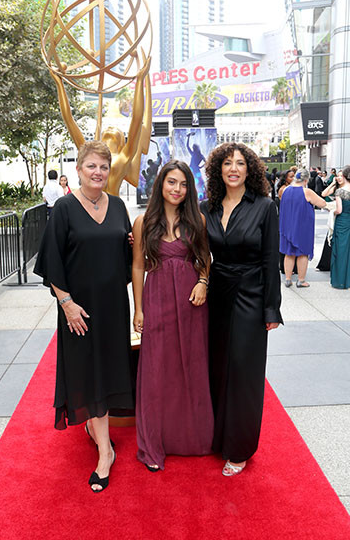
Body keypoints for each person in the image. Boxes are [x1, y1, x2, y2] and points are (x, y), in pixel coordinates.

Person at [34, 141, 133, 493]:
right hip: (79, 310)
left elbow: (125, 256)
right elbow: (51, 261)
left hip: (112, 306)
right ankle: (105, 453)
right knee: (88, 373)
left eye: (103, 168)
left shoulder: (119, 206)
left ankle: (96, 428)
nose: (98, 173)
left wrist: (135, 244)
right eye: (91, 166)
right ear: (78, 169)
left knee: (106, 369)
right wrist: (66, 304)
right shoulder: (63, 208)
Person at [200, 143, 282, 477]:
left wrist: (271, 309)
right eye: (227, 163)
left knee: (244, 373)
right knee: (218, 367)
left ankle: (240, 447)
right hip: (217, 292)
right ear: (218, 169)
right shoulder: (207, 207)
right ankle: (219, 437)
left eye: (240, 163)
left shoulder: (264, 207)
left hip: (251, 292)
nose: (234, 168)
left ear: (250, 169)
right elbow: (184, 238)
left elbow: (269, 259)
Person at [132, 160, 213, 471]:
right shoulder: (143, 222)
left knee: (190, 366)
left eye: (183, 184)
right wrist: (137, 308)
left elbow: (204, 258)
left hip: (191, 301)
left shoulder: (197, 220)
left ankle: (190, 438)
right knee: (156, 369)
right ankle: (156, 442)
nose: (177, 189)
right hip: (157, 297)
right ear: (160, 185)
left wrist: (204, 282)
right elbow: (138, 265)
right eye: (171, 183)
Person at [279, 169, 326, 287]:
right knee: (302, 253)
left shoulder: (285, 190)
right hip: (302, 227)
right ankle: (301, 280)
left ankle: (288, 279)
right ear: (306, 180)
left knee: (289, 253)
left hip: (287, 227)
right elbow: (322, 203)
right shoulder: (306, 192)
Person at [316, 170, 344, 271]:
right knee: (330, 239)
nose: (339, 178)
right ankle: (326, 264)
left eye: (342, 176)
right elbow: (323, 194)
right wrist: (332, 183)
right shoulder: (336, 187)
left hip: (342, 216)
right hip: (335, 217)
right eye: (338, 176)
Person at [331, 165, 350, 289]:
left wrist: (333, 212)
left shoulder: (340, 191)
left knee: (340, 250)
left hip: (342, 221)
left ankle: (340, 280)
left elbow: (339, 210)